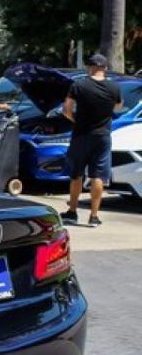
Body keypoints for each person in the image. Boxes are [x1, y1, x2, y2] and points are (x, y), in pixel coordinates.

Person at [60, 53, 123, 227]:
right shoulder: (114, 87)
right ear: (105, 68)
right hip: (102, 136)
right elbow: (118, 106)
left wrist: (76, 119)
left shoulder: (79, 85)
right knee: (98, 176)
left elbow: (66, 109)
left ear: (90, 67)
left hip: (81, 135)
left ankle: (72, 212)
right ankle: (94, 216)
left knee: (76, 174)